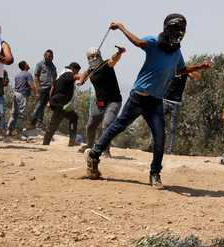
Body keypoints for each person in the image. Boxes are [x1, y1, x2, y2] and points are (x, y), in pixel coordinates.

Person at [85, 15, 205, 188]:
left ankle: (155, 174)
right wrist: (121, 26)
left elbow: (181, 70)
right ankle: (94, 154)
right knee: (119, 126)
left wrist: (199, 67)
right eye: (177, 29)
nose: (179, 33)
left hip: (155, 101)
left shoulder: (176, 52)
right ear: (168, 29)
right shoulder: (154, 42)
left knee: (160, 138)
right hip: (139, 97)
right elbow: (138, 42)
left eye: (182, 30)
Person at [77, 45, 126, 157]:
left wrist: (119, 52)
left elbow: (113, 60)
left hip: (113, 101)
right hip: (100, 102)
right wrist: (81, 80)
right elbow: (85, 73)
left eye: (95, 56)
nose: (93, 58)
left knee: (107, 124)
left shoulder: (106, 64)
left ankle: (106, 150)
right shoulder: (91, 69)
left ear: (99, 55)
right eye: (90, 57)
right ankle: (89, 146)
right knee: (90, 126)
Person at [162, 60, 211, 153]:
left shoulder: (184, 70)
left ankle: (169, 150)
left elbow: (197, 77)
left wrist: (189, 70)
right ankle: (154, 146)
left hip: (176, 103)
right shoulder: (169, 69)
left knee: (172, 128)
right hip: (164, 100)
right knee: (157, 124)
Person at [43, 62, 82, 146]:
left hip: (58, 102)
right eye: (77, 71)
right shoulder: (68, 74)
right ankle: (46, 142)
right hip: (59, 103)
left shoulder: (61, 75)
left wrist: (49, 101)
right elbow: (77, 77)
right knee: (54, 123)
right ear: (74, 69)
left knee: (73, 117)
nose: (77, 73)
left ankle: (71, 141)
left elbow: (52, 88)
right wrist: (86, 73)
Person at [7, 61, 38, 137]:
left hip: (15, 94)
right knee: (21, 114)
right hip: (22, 95)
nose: (28, 65)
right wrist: (36, 93)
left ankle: (9, 130)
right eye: (27, 64)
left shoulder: (17, 75)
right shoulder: (28, 74)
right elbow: (31, 85)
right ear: (24, 66)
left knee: (14, 113)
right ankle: (19, 132)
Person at [31, 49, 57, 128]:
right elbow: (36, 76)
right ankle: (33, 122)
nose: (50, 57)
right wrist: (38, 88)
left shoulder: (53, 66)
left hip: (50, 89)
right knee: (39, 105)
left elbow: (55, 77)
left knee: (43, 106)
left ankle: (39, 123)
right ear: (45, 56)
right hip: (42, 87)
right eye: (49, 56)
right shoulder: (40, 64)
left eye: (51, 56)